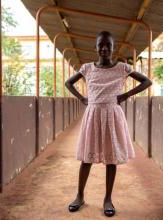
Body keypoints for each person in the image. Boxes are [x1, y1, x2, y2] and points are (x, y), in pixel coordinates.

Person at [65, 31, 152, 217]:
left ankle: (107, 199)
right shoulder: (87, 68)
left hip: (113, 115)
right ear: (95, 47)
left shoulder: (122, 68)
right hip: (93, 115)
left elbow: (147, 81)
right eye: (101, 45)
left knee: (111, 159)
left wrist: (126, 95)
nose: (104, 48)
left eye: (108, 46)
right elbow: (68, 83)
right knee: (86, 159)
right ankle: (79, 196)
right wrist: (82, 98)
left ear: (113, 48)